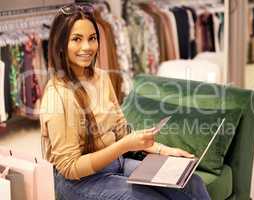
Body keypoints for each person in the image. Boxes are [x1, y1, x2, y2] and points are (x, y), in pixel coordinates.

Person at [39, 3, 211, 200]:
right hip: (79, 182)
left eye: (92, 38)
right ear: (60, 45)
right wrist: (124, 146)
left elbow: (122, 131)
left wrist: (166, 151)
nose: (87, 47)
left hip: (117, 163)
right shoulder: (58, 95)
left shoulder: (101, 77)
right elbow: (70, 168)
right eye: (76, 39)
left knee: (191, 182)